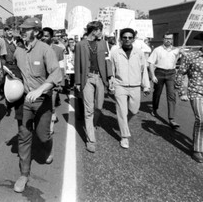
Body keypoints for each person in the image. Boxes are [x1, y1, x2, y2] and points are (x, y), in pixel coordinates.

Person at [12, 17, 62, 193]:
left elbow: (56, 73)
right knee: (24, 136)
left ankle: (48, 146)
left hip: (42, 101)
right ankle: (24, 174)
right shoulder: (18, 51)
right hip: (24, 101)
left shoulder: (45, 50)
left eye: (26, 29)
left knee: (42, 136)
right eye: (22, 29)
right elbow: (14, 71)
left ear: (36, 31)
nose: (23, 32)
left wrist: (40, 90)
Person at [74, 21, 112, 153]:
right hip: (87, 78)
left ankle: (92, 124)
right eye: (100, 30)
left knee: (99, 107)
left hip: (100, 78)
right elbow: (77, 64)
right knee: (89, 109)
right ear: (94, 31)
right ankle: (91, 140)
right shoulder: (80, 45)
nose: (101, 32)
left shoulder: (103, 43)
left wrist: (110, 77)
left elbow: (108, 61)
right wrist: (78, 82)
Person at [110, 28, 150, 149]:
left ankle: (124, 124)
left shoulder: (139, 53)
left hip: (135, 86)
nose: (127, 39)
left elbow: (144, 71)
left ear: (133, 39)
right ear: (121, 39)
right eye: (125, 37)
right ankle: (124, 136)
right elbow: (112, 70)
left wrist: (146, 86)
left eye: (130, 37)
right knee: (122, 111)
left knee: (134, 110)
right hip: (120, 85)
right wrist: (111, 84)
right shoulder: (115, 53)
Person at [175, 32, 203, 163]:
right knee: (201, 119)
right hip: (196, 91)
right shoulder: (191, 57)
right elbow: (180, 73)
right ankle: (197, 150)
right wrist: (182, 91)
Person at [147, 32, 181, 128]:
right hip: (159, 73)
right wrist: (152, 75)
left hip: (171, 73)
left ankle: (171, 119)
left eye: (170, 38)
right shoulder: (157, 50)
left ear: (172, 39)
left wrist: (180, 53)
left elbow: (179, 61)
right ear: (163, 39)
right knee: (157, 93)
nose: (168, 40)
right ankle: (154, 108)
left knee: (171, 95)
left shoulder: (176, 50)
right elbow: (150, 63)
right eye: (166, 38)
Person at [41, 27, 65, 132]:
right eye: (42, 35)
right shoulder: (37, 48)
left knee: (51, 104)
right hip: (40, 82)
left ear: (51, 37)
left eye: (46, 36)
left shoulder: (58, 50)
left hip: (53, 83)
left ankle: (49, 129)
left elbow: (62, 67)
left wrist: (61, 83)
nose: (43, 38)